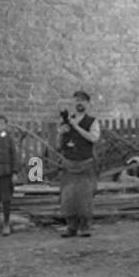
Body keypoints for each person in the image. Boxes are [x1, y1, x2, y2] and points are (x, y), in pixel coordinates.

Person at [57, 89, 100, 237]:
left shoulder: (92, 121)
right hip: (69, 163)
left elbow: (94, 138)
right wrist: (62, 132)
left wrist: (76, 127)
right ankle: (71, 227)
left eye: (82, 101)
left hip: (85, 163)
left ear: (88, 104)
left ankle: (85, 227)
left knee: (84, 197)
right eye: (77, 100)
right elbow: (61, 141)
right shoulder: (67, 118)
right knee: (68, 197)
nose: (79, 103)